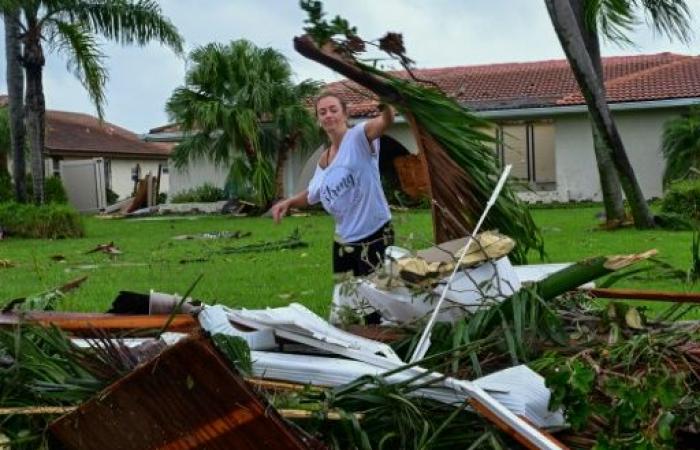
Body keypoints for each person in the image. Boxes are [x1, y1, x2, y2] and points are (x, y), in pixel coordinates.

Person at [271, 93, 395, 278]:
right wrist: (288, 202)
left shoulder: (359, 137)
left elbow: (386, 121)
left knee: (376, 297)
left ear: (345, 114)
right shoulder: (325, 158)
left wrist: (386, 105)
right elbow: (313, 194)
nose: (328, 115)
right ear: (319, 120)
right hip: (343, 240)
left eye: (333, 110)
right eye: (322, 112)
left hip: (374, 233)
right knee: (346, 301)